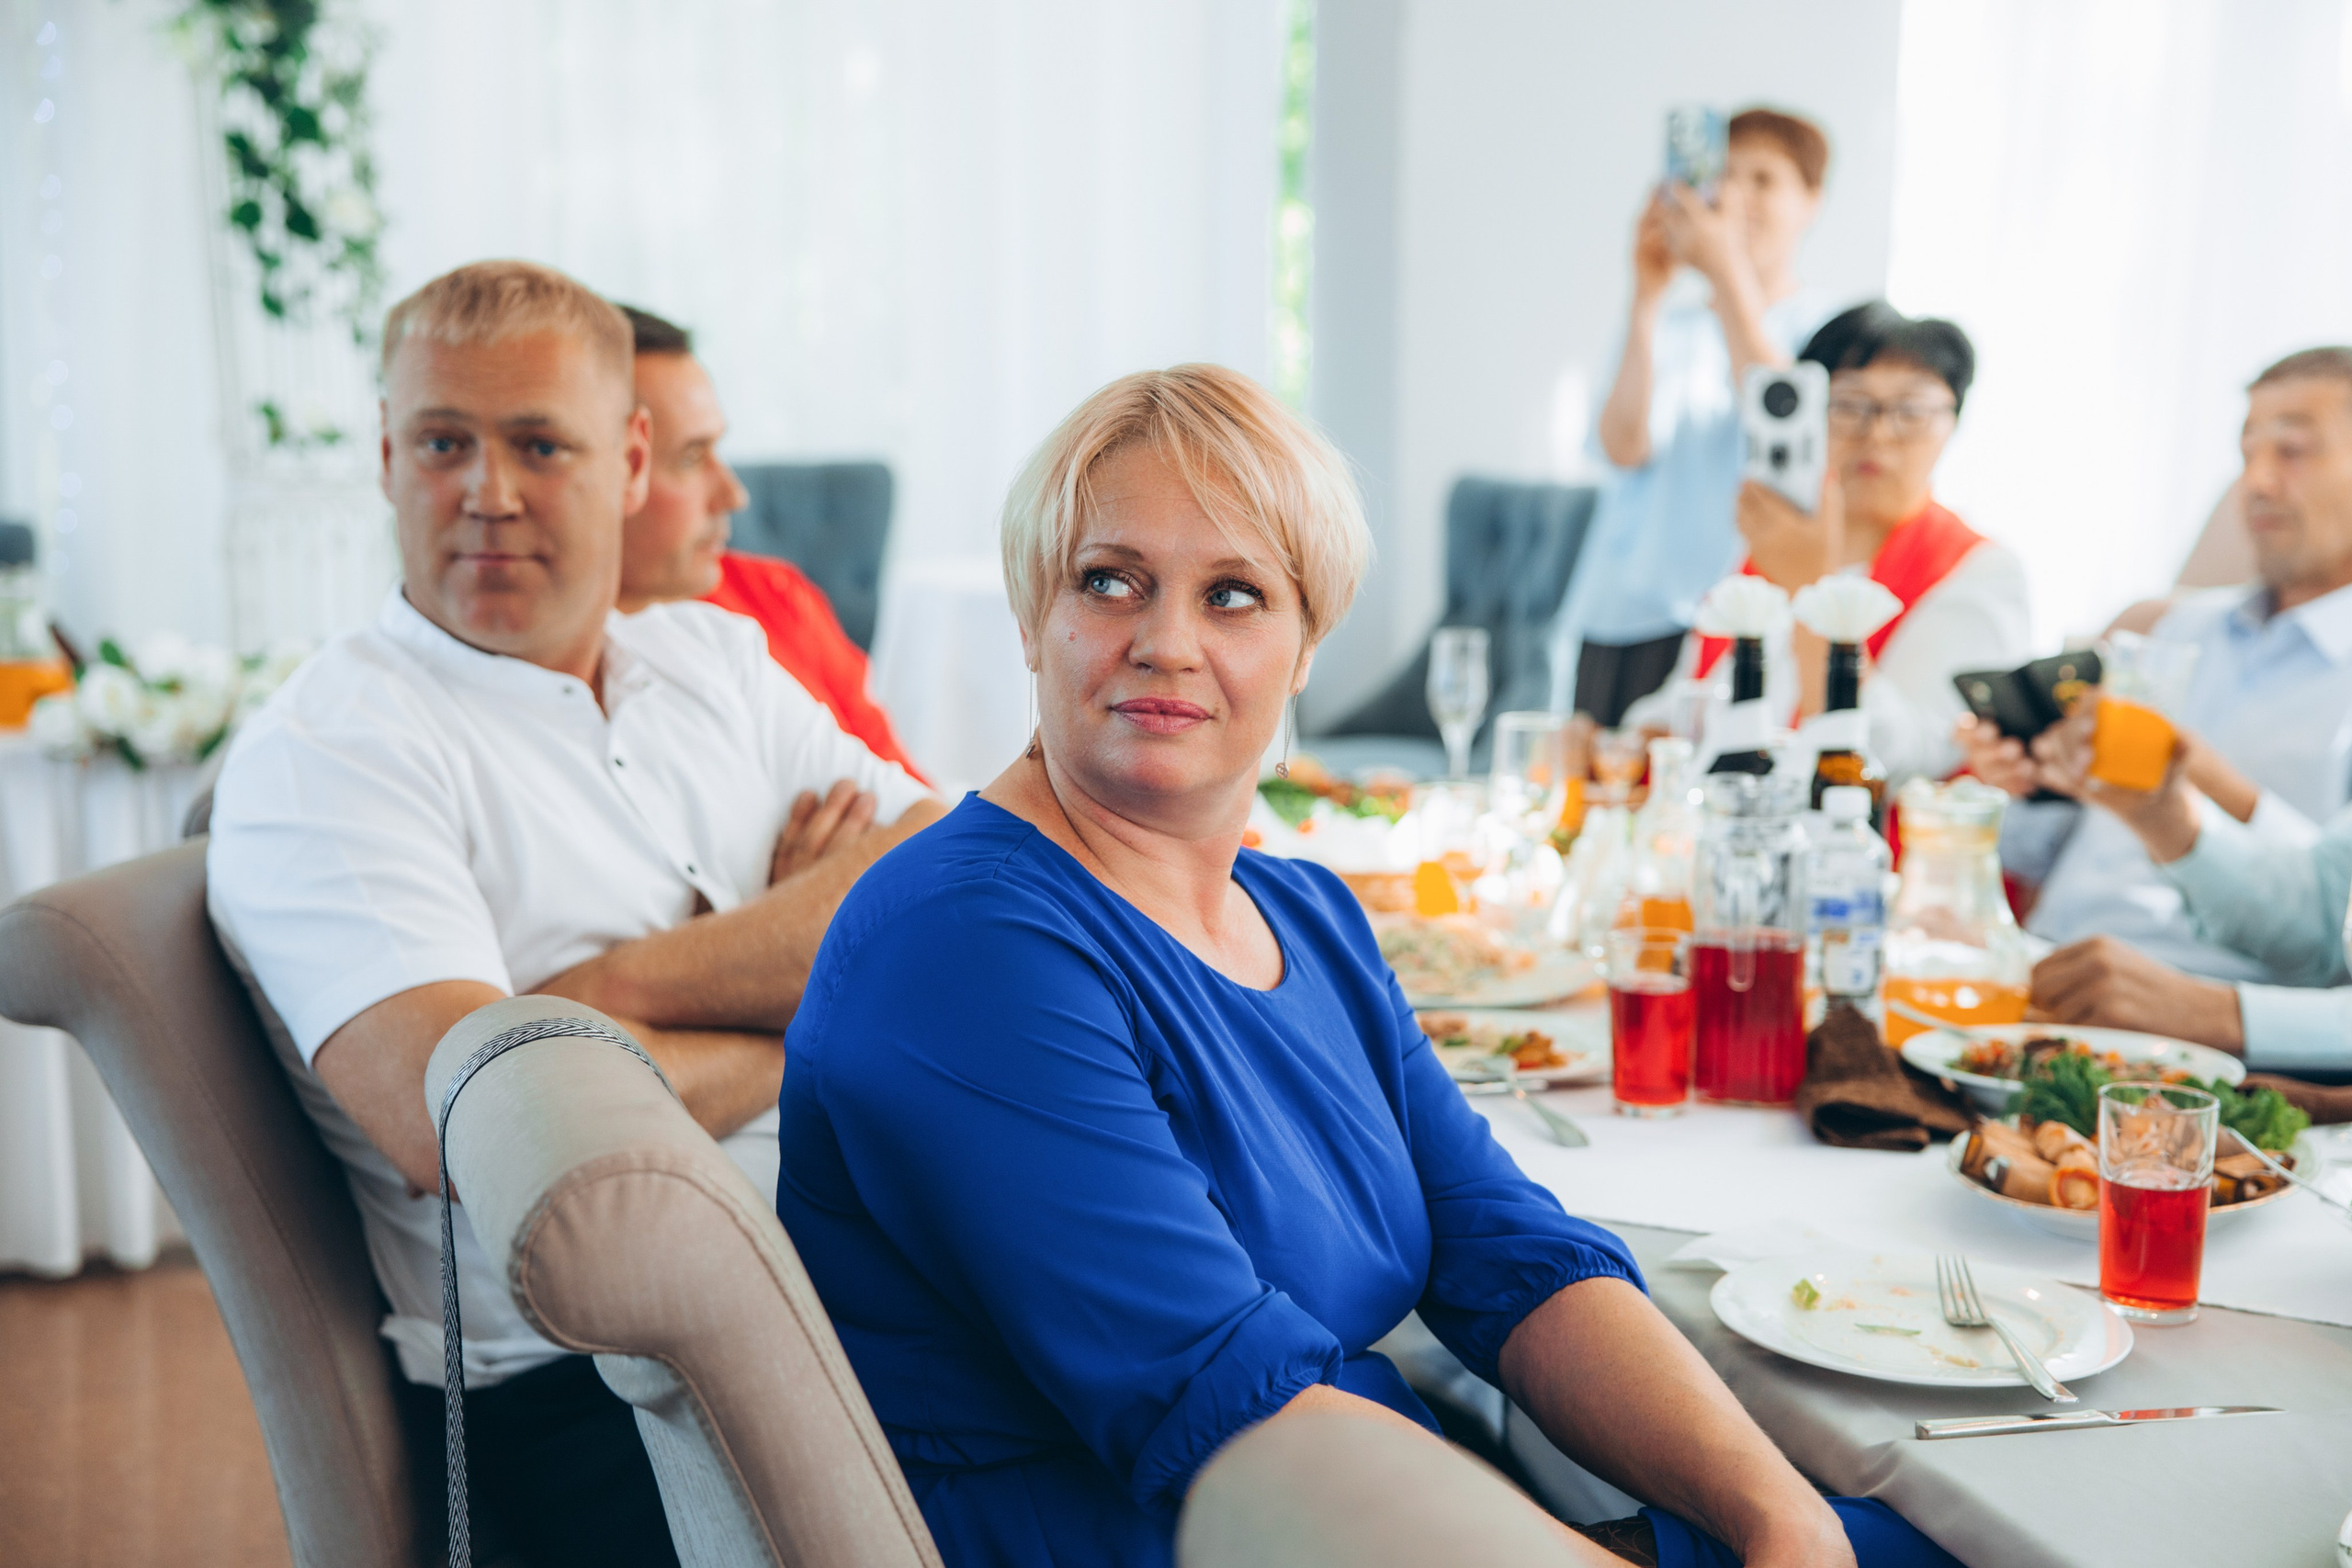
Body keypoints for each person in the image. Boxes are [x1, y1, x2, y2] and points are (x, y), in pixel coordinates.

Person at [775, 364, 1959, 1568]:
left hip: (1376, 1516)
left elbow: (1511, 1250)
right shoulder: (967, 944)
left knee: (1917, 1535)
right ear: (1033, 616)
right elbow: (1234, 1411)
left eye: (1234, 593)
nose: (1167, 639)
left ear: (1305, 647)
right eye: (1109, 579)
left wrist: (1783, 1520)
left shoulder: (1308, 912)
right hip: (1187, 1536)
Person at [207, 261, 941, 1566]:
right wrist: (816, 992)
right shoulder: (333, 754)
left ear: (632, 459)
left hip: (851, 1272)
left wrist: (603, 997)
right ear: (386, 455)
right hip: (599, 1392)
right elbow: (489, 1124)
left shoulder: (710, 656)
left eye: (540, 444)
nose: (486, 492)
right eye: (443, 442)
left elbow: (949, 890)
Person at [1958, 346, 2352, 1067]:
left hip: (2200, 1031)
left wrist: (2199, 787)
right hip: (2041, 982)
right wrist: (2037, 787)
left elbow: (2327, 921)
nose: (2256, 482)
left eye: (2292, 450)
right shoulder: (2171, 632)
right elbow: (2048, 848)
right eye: (2247, 452)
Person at [1637, 302, 2031, 784]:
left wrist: (1810, 588)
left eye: (1911, 411)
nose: (1878, 433)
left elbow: (1902, 758)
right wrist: (1628, 739)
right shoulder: (1776, 541)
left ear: (1952, 424)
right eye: (1849, 405)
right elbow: (1690, 698)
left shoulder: (1979, 573)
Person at [1558, 107, 1838, 727]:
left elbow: (1787, 430)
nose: (1738, 195)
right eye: (1729, 174)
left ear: (1811, 202)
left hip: (1730, 618)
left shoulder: (1824, 326)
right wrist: (1647, 294)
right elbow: (1622, 445)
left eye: (1765, 179)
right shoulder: (1674, 323)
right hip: (1621, 608)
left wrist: (1725, 275)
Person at [614, 304, 922, 775]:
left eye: (718, 448)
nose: (734, 495)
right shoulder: (550, 671)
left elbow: (914, 802)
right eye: (692, 458)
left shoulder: (776, 596)